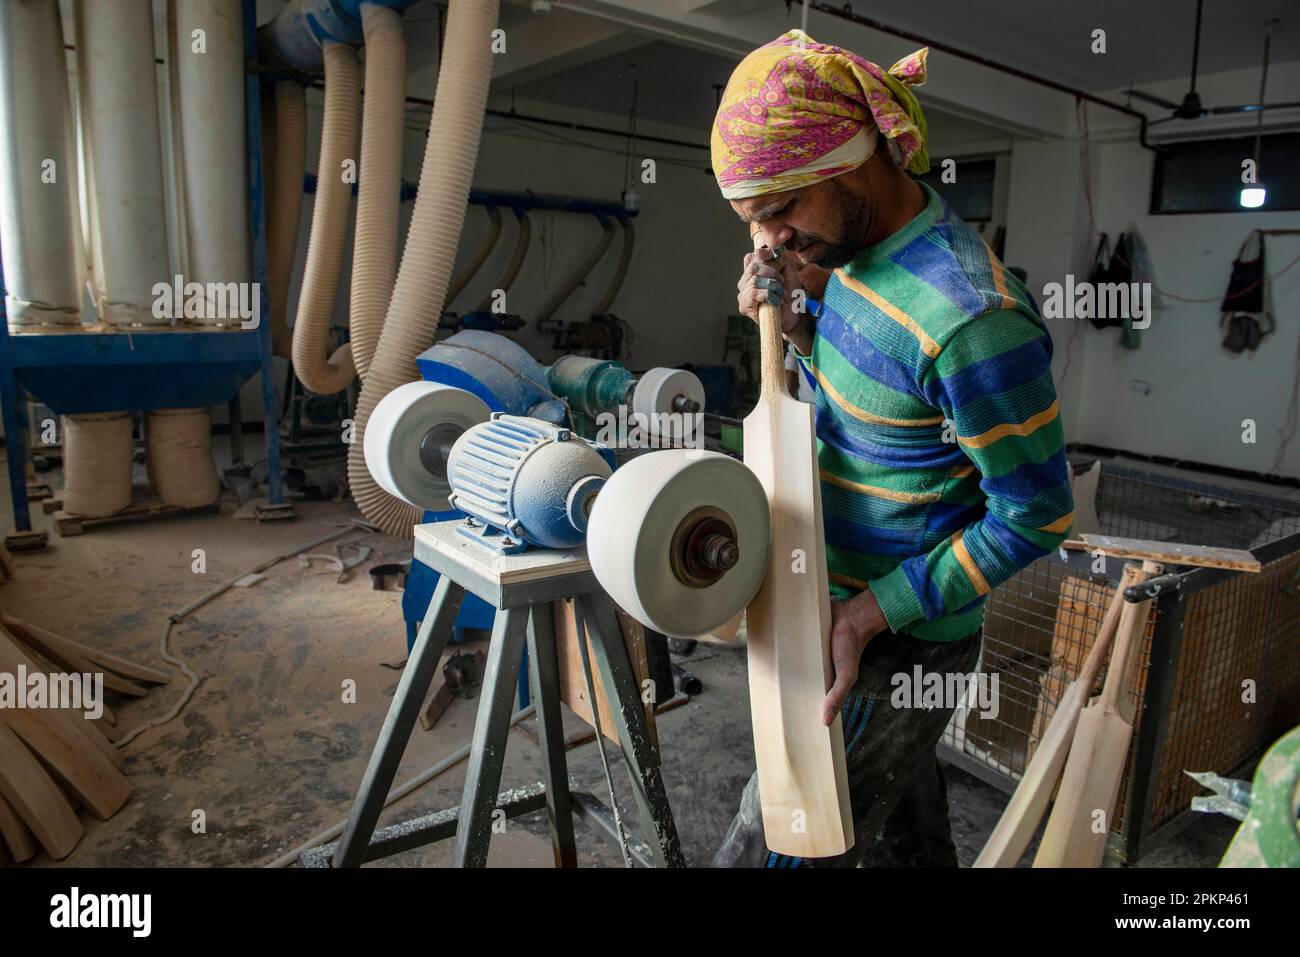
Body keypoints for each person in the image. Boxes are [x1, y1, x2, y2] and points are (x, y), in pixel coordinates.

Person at [710, 30, 1073, 867]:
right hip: (828, 595)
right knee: (904, 832)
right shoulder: (850, 260)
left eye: (781, 211)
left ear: (855, 161)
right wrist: (797, 328)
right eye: (750, 221)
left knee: (784, 839)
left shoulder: (973, 322)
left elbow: (1039, 514)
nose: (766, 243)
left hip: (898, 633)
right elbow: (869, 401)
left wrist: (869, 614)